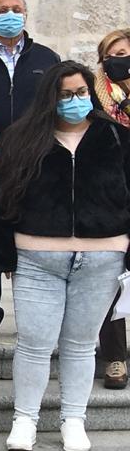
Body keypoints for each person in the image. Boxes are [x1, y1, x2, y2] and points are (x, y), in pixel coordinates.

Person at [0, 62, 130, 451]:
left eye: (81, 93)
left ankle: (74, 420)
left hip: (103, 257)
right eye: (65, 95)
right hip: (37, 257)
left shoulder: (116, 137)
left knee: (81, 344)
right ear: (50, 97)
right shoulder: (22, 138)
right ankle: (25, 419)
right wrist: (2, 255)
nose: (74, 101)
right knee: (34, 342)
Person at [0, 0, 61, 339]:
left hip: (37, 161)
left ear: (26, 15)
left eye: (16, 9)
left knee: (36, 242)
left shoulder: (47, 59)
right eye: (2, 10)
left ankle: (36, 315)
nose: (10, 14)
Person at [93, 29, 130, 389]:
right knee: (112, 280)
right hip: (111, 200)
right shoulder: (94, 99)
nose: (119, 60)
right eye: (112, 55)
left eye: (124, 53)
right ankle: (115, 357)